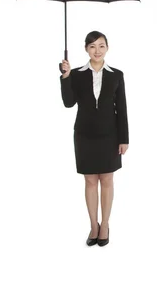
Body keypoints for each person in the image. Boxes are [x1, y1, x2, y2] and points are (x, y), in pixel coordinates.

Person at [60, 31, 129, 247]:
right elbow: (68, 103)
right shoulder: (78, 74)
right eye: (92, 46)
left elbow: (122, 109)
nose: (97, 51)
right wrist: (66, 76)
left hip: (110, 135)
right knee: (90, 181)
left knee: (107, 180)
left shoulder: (116, 74)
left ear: (107, 47)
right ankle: (93, 225)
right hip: (84, 134)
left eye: (101, 46)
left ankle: (105, 224)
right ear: (86, 49)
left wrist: (124, 138)